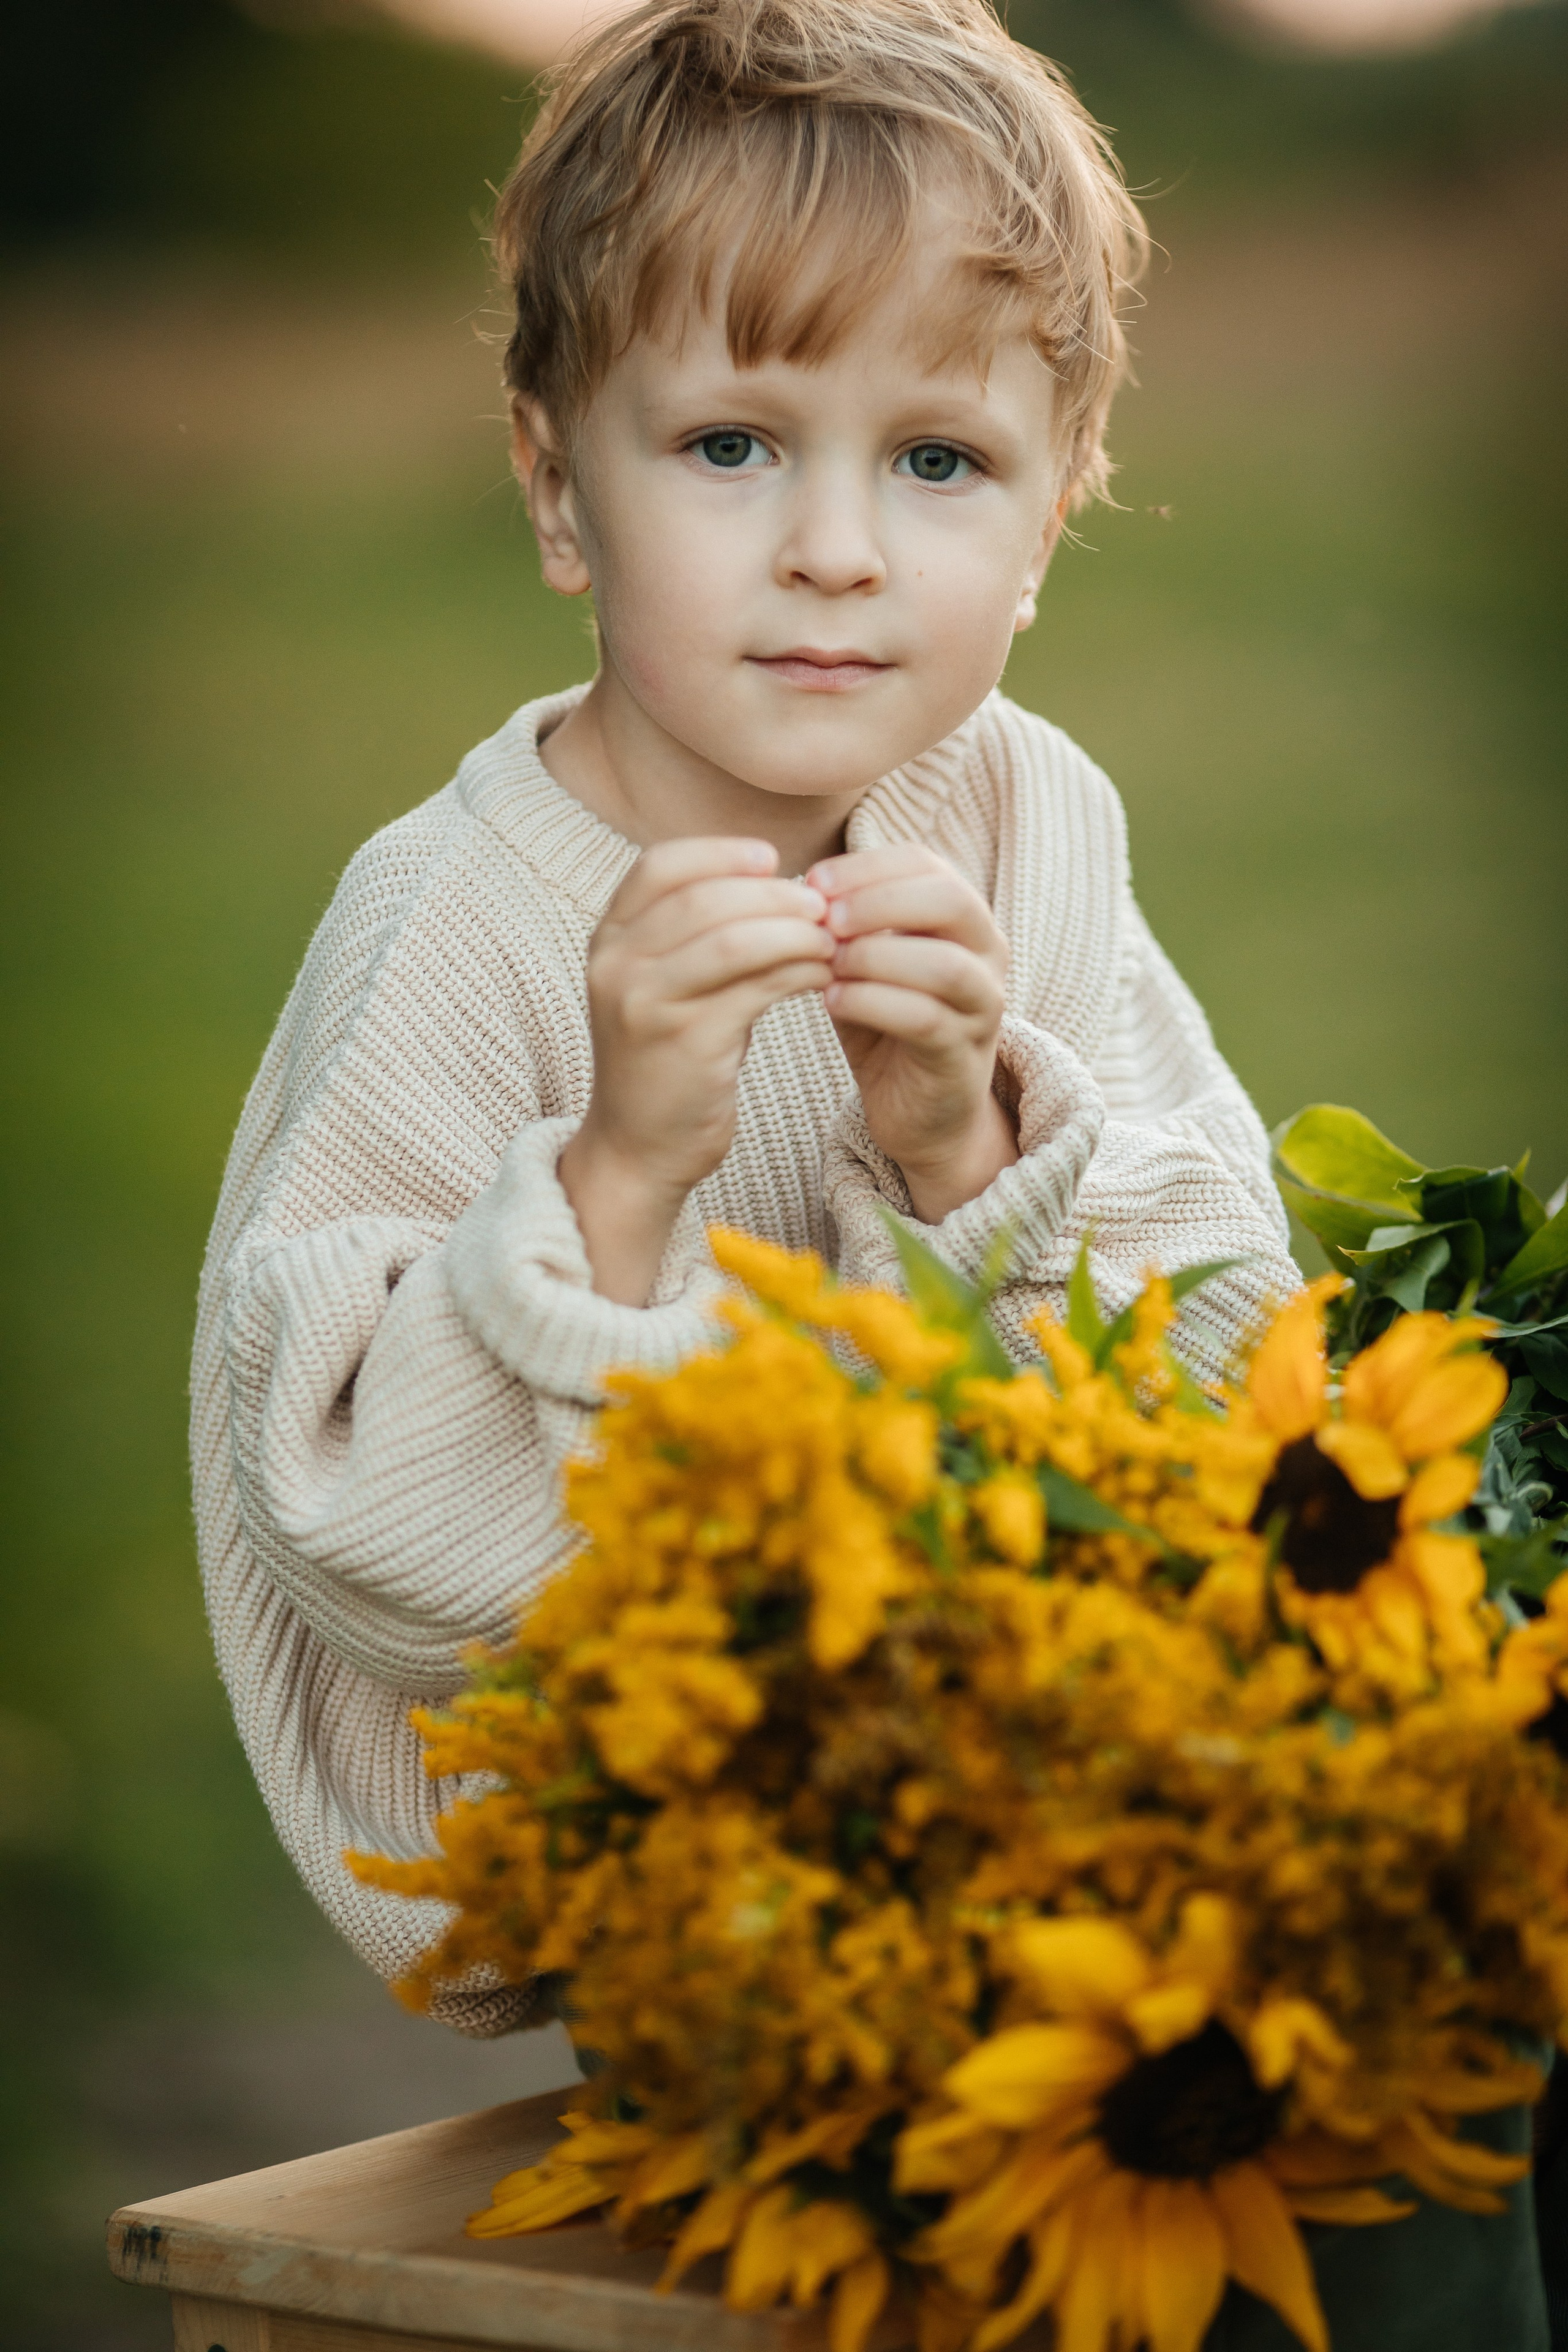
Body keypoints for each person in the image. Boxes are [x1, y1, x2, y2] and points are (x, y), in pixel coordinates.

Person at [191, 0, 1300, 2030]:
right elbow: (341, 1523)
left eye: (942, 460)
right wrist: (615, 1187)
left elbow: (1238, 1367)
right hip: (653, 1901)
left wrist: (971, 1148)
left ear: (1052, 524)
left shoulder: (1021, 820)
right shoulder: (454, 923)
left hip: (1033, 1855)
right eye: (730, 445)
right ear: (556, 490)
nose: (837, 551)